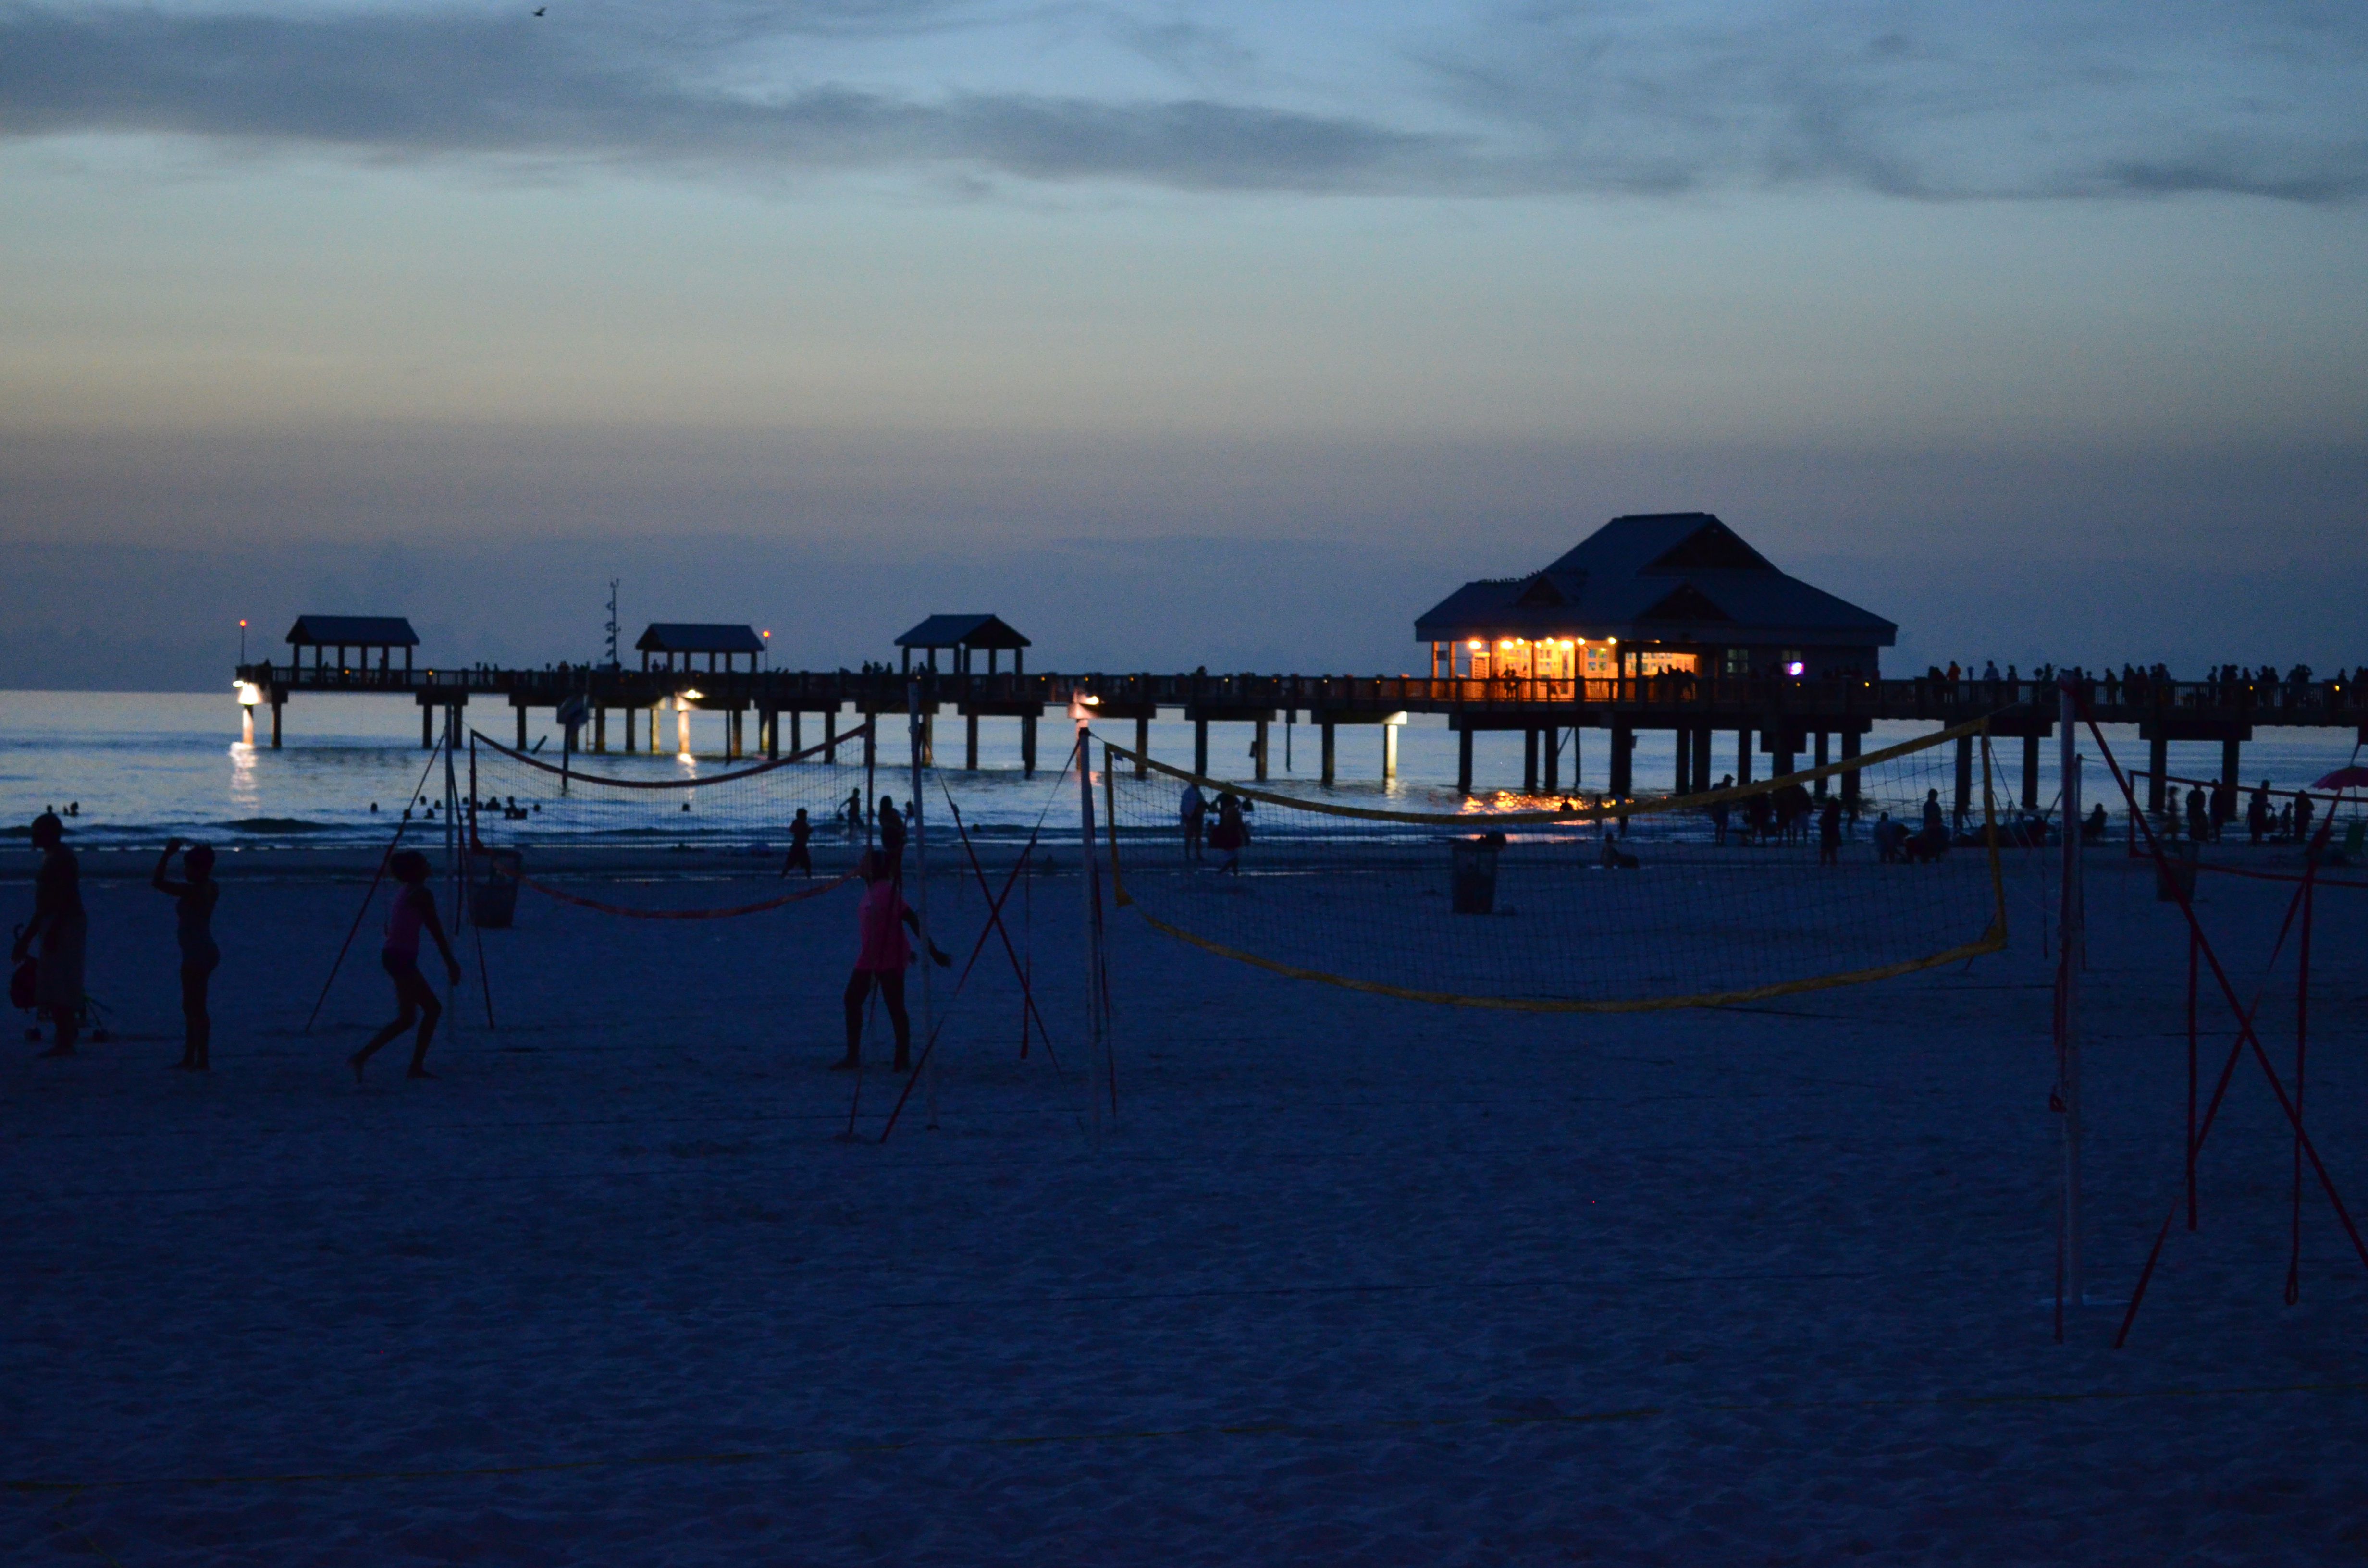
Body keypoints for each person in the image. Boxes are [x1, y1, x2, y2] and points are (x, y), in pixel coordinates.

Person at [349, 850, 460, 1082]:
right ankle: (414, 1068)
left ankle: (362, 1057)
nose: (429, 864)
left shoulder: (407, 891)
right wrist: (451, 963)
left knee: (408, 1018)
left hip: (395, 955)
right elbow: (437, 932)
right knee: (431, 1009)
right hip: (399, 957)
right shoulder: (421, 894)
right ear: (416, 870)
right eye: (424, 862)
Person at [835, 849, 949, 1073]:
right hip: (869, 957)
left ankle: (902, 1059)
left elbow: (913, 921)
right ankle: (853, 1056)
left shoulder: (887, 891)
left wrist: (932, 951)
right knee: (852, 1000)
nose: (860, 866)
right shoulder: (871, 891)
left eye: (864, 862)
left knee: (895, 1007)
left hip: (890, 959)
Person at [14, 811, 85, 1057]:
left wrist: (52, 930)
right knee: (51, 980)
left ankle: (66, 1042)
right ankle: (64, 1038)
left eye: (37, 832)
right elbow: (44, 905)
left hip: (64, 923)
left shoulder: (61, 858)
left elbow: (64, 899)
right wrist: (29, 937)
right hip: (54, 921)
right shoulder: (52, 857)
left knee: (60, 982)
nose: (33, 836)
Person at [151, 838, 219, 1071]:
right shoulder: (212, 887)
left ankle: (201, 1059)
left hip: (197, 953)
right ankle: (193, 1057)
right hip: (203, 950)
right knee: (192, 1006)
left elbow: (157, 882)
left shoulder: (193, 891)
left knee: (195, 1007)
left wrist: (166, 854)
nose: (185, 871)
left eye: (188, 867)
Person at [1208, 792, 1247, 874]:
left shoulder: (1227, 811)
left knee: (1233, 856)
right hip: (1233, 836)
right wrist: (1245, 834)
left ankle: (1234, 872)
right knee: (1233, 858)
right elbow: (1240, 823)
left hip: (1230, 836)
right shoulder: (1232, 811)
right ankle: (1223, 871)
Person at [781, 808, 814, 879]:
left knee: (791, 862)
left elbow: (792, 830)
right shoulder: (802, 823)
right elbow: (805, 831)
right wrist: (809, 831)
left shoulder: (796, 822)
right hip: (800, 845)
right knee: (806, 863)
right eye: (805, 815)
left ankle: (783, 876)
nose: (806, 817)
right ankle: (809, 877)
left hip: (796, 845)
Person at [878, 796, 906, 878]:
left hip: (890, 838)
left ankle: (892, 876)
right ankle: (893, 876)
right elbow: (898, 825)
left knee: (892, 858)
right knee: (894, 859)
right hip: (892, 838)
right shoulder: (889, 814)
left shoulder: (884, 814)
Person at [1179, 780, 1206, 862]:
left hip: (1199, 817)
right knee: (1189, 837)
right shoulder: (1188, 793)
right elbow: (1184, 806)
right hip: (1191, 818)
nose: (1198, 784)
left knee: (1198, 838)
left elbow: (1202, 803)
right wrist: (1185, 817)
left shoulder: (1198, 793)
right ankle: (1188, 855)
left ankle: (1198, 855)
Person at [1817, 797, 1842, 866]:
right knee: (1833, 850)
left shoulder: (1827, 813)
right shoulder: (1838, 814)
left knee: (1824, 850)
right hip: (1835, 832)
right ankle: (1833, 863)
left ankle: (1823, 863)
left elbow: (1820, 822)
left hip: (1826, 833)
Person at [1710, 776, 1733, 845]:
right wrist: (1713, 809)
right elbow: (1712, 797)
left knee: (1724, 825)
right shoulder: (1718, 787)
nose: (1731, 782)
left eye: (1731, 781)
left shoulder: (1730, 789)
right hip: (1719, 809)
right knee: (1719, 825)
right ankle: (1717, 840)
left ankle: (1722, 840)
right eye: (1730, 781)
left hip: (1726, 809)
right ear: (1726, 780)